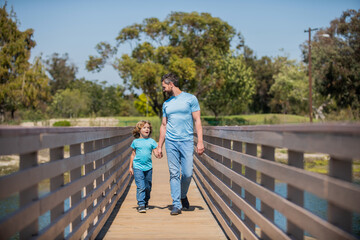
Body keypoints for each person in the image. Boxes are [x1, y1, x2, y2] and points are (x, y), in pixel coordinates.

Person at [156, 72, 205, 215]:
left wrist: (200, 141)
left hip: (187, 141)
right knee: (174, 173)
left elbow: (197, 121)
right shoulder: (166, 103)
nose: (163, 89)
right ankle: (176, 204)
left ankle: (183, 195)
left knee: (188, 173)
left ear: (171, 84)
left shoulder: (190, 99)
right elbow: (164, 125)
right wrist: (160, 146)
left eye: (164, 86)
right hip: (171, 142)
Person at [129, 120, 158, 213]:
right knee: (141, 186)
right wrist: (130, 167)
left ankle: (146, 201)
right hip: (137, 167)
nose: (147, 129)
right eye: (144, 127)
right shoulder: (135, 142)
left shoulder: (152, 141)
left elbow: (155, 152)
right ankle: (141, 204)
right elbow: (133, 154)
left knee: (147, 187)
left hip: (148, 167)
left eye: (148, 128)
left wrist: (158, 154)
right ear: (139, 130)